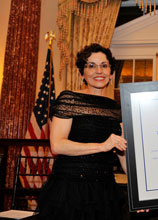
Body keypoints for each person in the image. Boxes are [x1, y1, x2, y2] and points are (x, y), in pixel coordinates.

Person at [36, 43, 127, 220]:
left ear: (111, 72)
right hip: (70, 190)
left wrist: (146, 189)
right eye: (91, 66)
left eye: (104, 65)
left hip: (105, 192)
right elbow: (57, 145)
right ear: (81, 73)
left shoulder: (117, 109)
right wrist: (102, 146)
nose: (98, 71)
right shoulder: (69, 99)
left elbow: (123, 155)